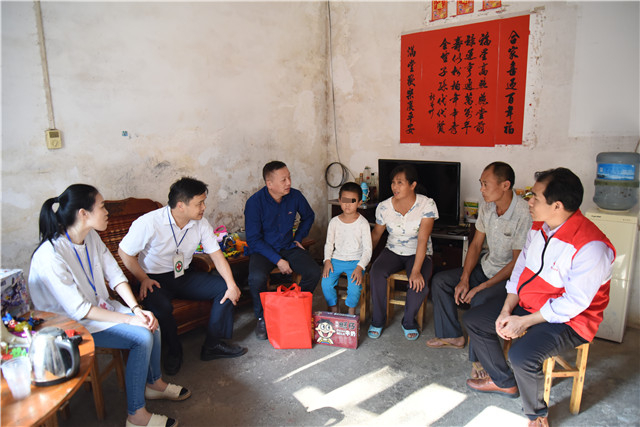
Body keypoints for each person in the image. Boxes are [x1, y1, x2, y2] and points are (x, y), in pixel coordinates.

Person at [463, 168, 615, 427]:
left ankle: (536, 414)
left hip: (571, 321)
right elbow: (521, 269)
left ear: (557, 206)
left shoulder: (591, 247)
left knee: (522, 355)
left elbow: (574, 303)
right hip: (531, 304)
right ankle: (504, 382)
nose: (529, 202)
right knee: (474, 320)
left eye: (535, 197)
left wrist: (524, 322)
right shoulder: (540, 228)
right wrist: (507, 308)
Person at [28, 184, 188, 427]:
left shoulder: (90, 236)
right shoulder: (51, 254)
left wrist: (137, 310)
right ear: (83, 213)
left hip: (98, 308)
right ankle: (136, 416)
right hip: (70, 324)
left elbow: (115, 275)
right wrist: (130, 319)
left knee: (150, 321)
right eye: (102, 207)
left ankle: (154, 383)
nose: (106, 212)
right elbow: (79, 310)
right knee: (142, 337)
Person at [118, 177, 247, 376]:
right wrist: (143, 278)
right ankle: (174, 351)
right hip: (154, 279)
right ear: (180, 205)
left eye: (204, 202)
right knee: (161, 307)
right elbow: (125, 252)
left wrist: (231, 284)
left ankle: (213, 344)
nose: (204, 207)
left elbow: (216, 255)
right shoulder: (149, 222)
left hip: (183, 275)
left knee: (224, 288)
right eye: (199, 203)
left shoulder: (200, 223)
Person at [427, 162, 532, 380]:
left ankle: (479, 359)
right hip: (486, 267)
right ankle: (452, 336)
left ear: (505, 185)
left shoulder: (523, 212)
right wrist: (465, 278)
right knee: (441, 281)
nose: (482, 189)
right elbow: (475, 245)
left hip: (509, 279)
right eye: (481, 184)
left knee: (480, 299)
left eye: (486, 184)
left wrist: (481, 287)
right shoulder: (487, 207)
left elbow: (517, 263)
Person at [245, 161, 322, 340]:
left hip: (288, 246)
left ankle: (295, 308)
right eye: (283, 180)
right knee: (256, 278)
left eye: (289, 177)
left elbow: (308, 216)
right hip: (263, 250)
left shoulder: (295, 196)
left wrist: (298, 238)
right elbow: (254, 239)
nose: (289, 183)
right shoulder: (254, 203)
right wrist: (278, 260)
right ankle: (262, 318)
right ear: (269, 183)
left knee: (313, 271)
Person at [368, 164, 438, 341]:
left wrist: (416, 270)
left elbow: (422, 240)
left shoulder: (426, 204)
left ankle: (408, 321)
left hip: (418, 252)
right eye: (393, 182)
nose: (395, 187)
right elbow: (376, 235)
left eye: (400, 182)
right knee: (376, 272)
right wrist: (363, 260)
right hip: (393, 250)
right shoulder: (384, 207)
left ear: (412, 185)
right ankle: (378, 320)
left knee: (418, 282)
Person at [321, 182, 373, 316]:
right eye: (344, 200)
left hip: (356, 262)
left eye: (352, 201)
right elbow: (329, 244)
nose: (347, 205)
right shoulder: (334, 222)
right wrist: (327, 260)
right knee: (326, 283)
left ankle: (351, 311)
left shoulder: (363, 223)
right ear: (339, 200)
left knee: (354, 288)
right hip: (336, 260)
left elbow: (368, 249)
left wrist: (360, 267)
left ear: (359, 203)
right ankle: (334, 307)